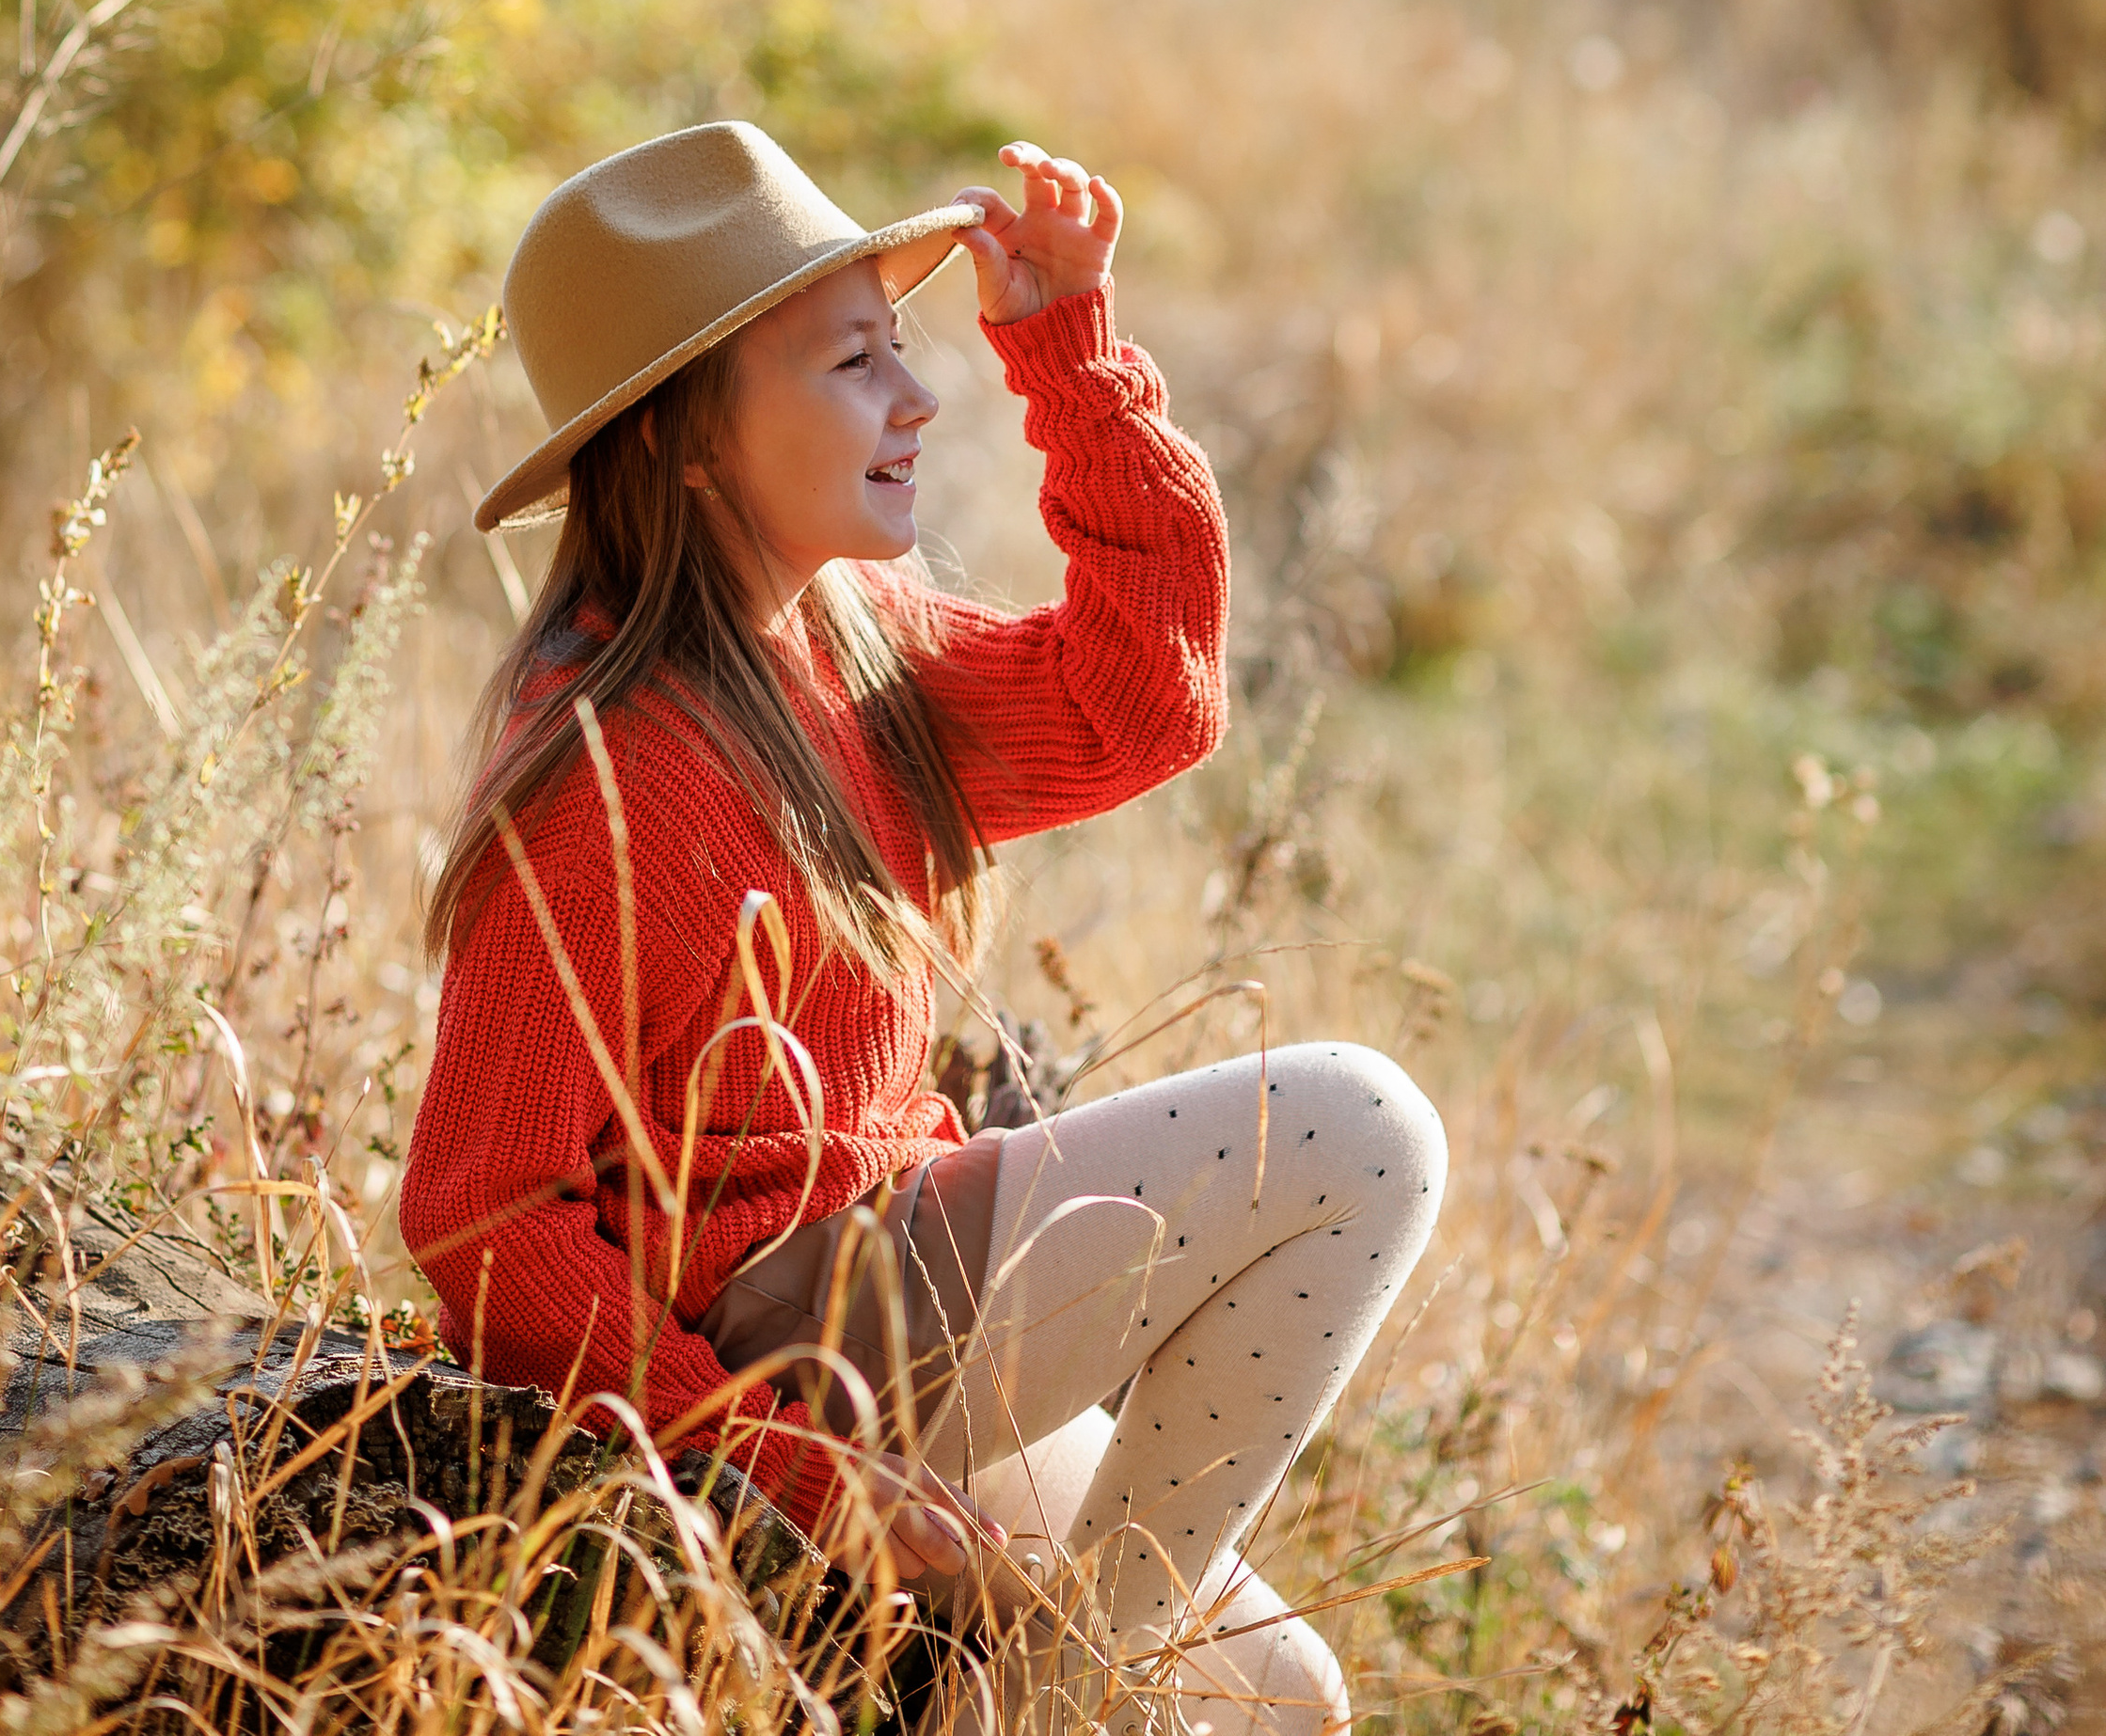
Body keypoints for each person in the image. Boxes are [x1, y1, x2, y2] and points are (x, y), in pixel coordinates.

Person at [402, 119, 1445, 1736]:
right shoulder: (610, 773)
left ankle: (1037, 1692)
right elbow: (481, 1216)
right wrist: (781, 1464)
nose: (917, 399)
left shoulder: (841, 636)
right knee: (1362, 1130)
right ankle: (1034, 1700)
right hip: (786, 1337)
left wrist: (1071, 352)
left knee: (1281, 1699)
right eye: (850, 365)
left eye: (902, 349)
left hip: (890, 1300)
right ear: (686, 442)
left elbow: (1141, 703)